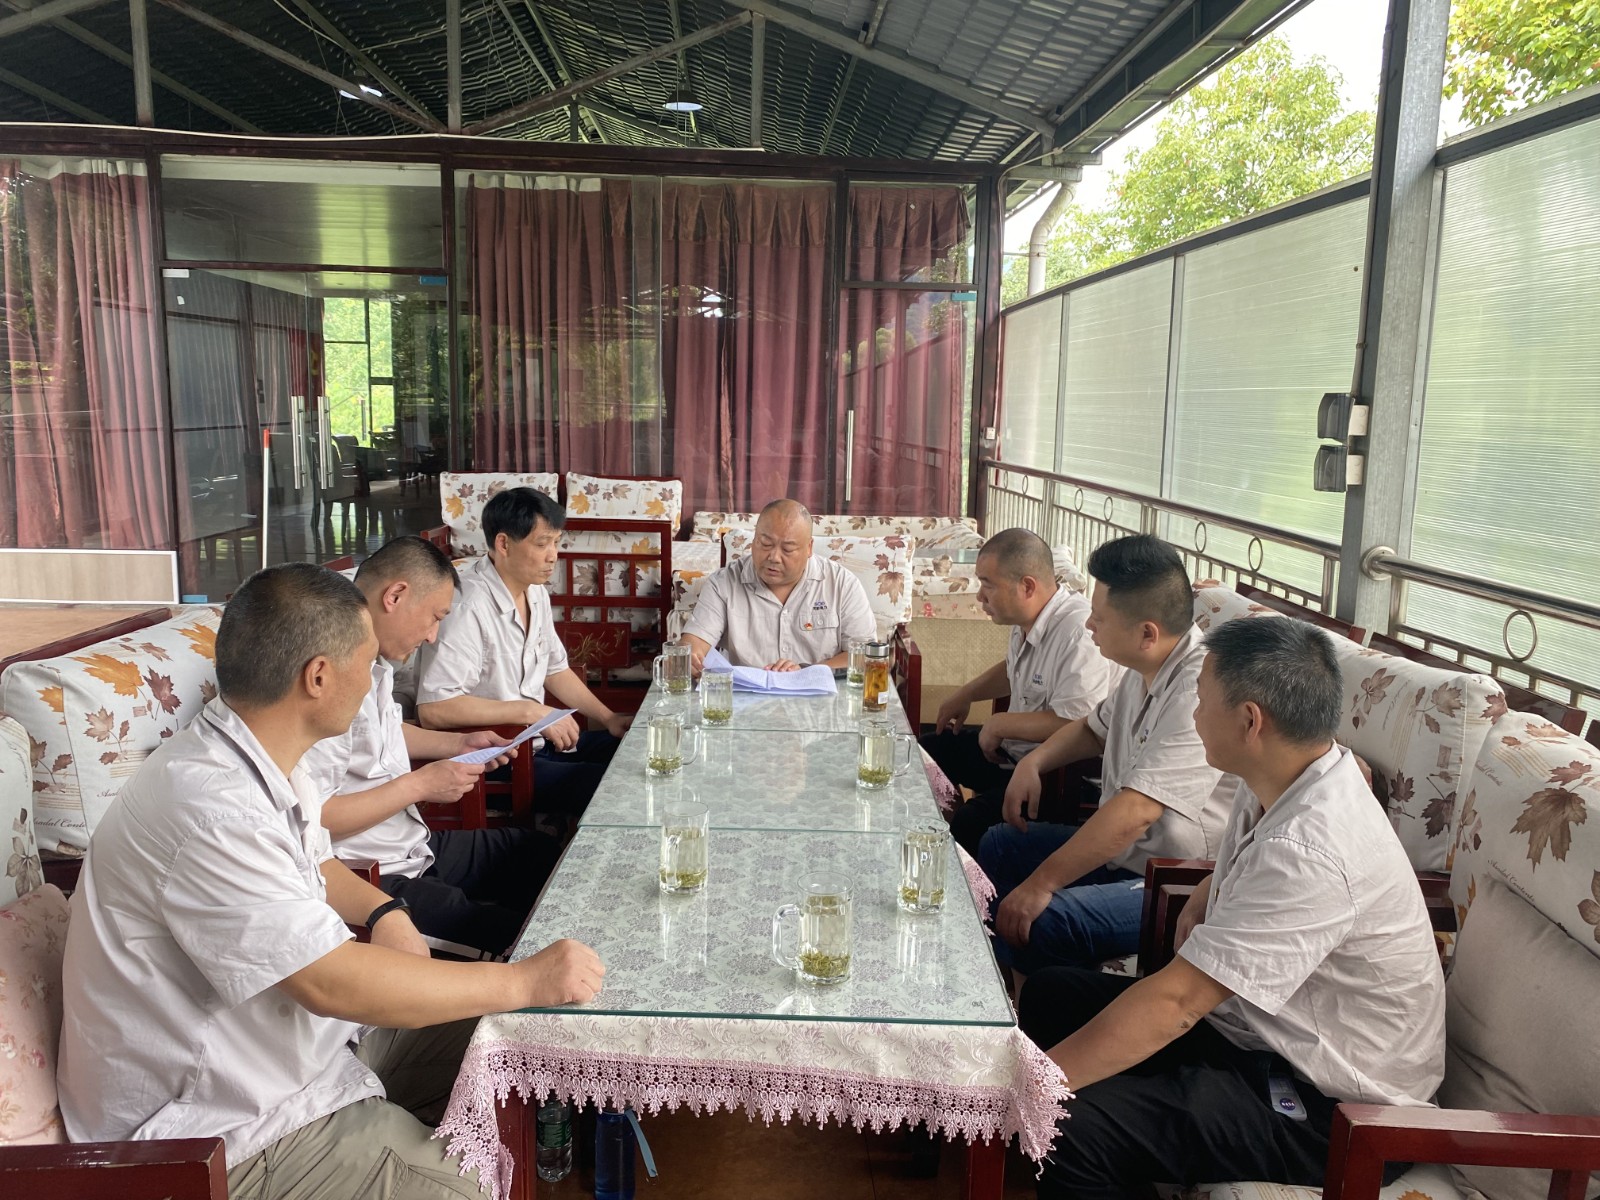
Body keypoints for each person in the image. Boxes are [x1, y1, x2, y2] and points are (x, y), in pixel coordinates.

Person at [58, 562, 604, 1200]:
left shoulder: (260, 759)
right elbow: (326, 981)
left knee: (530, 1039)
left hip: (305, 1052)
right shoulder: (210, 808)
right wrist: (523, 979)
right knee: (479, 1184)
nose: (376, 681)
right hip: (221, 1126)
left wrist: (385, 913)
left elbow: (315, 863)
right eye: (367, 662)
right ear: (318, 676)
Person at [1018, 615, 1446, 1199]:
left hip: (1338, 1110)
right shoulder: (1290, 770)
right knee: (1051, 993)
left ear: (1249, 721)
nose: (1193, 714)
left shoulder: (1311, 848)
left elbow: (1178, 1004)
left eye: (1201, 699)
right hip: (1261, 1036)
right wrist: (1208, 889)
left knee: (1071, 1130)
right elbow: (1253, 858)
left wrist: (1033, 1088)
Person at [978, 534, 1235, 973]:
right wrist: (1035, 761)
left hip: (1177, 878)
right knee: (1000, 845)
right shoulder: (1144, 668)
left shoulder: (1198, 689)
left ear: (1146, 633)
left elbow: (1138, 810)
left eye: (1099, 617)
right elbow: (1092, 730)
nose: (1089, 625)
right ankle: (1002, 973)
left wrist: (1041, 884)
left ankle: (1036, 999)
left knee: (1049, 920)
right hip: (1128, 854)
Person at [303, 536, 561, 957]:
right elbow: (316, 822)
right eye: (434, 618)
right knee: (524, 943)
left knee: (539, 854)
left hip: (411, 844)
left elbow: (383, 733)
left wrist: (458, 743)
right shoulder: (327, 682)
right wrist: (421, 785)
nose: (432, 635)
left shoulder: (371, 662)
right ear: (395, 596)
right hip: (369, 872)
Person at [415, 486, 631, 815]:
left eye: (556, 543)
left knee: (634, 754)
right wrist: (531, 712)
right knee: (614, 788)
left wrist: (608, 718)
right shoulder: (467, 605)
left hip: (537, 745)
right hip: (494, 762)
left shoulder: (534, 591)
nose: (553, 555)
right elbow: (434, 709)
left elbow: (555, 669)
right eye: (542, 544)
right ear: (503, 544)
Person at [920, 528, 1120, 856]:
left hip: (1058, 776)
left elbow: (1079, 722)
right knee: (926, 753)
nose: (980, 597)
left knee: (970, 824)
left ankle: (959, 873)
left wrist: (1000, 724)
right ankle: (926, 834)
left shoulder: (1077, 632)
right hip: (1011, 754)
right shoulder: (1029, 618)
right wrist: (967, 693)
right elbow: (1014, 669)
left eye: (988, 585)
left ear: (1027, 586)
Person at [680, 498, 876, 672]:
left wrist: (807, 672)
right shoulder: (723, 583)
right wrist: (690, 659)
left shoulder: (841, 584)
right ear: (754, 540)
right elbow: (693, 644)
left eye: (787, 549)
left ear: (809, 548)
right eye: (765, 544)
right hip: (747, 697)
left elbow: (865, 656)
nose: (773, 557)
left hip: (821, 696)